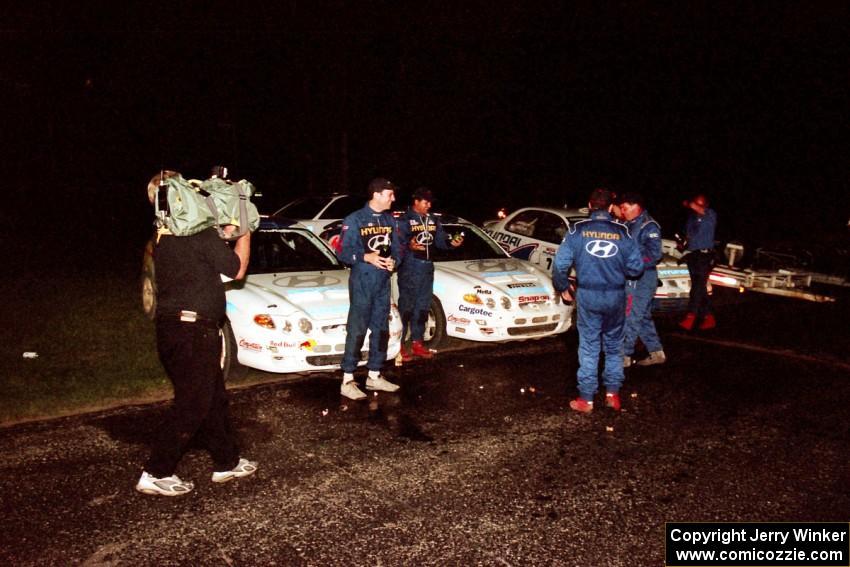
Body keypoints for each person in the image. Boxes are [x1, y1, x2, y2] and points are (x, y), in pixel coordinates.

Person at [136, 170, 257, 497]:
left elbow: (205, 259)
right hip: (193, 333)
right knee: (193, 404)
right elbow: (236, 269)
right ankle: (156, 471)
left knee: (212, 399)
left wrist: (223, 233)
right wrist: (244, 230)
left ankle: (226, 462)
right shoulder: (199, 235)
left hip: (175, 331)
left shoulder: (163, 237)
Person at [553, 188, 643, 413]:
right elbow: (636, 268)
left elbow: (560, 265)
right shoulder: (623, 232)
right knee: (614, 346)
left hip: (589, 295)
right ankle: (613, 394)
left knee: (590, 345)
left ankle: (587, 399)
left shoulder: (577, 231)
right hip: (615, 295)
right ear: (610, 207)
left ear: (590, 206)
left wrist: (563, 287)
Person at [337, 178, 403, 400]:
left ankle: (374, 375)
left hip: (383, 282)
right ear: (376, 194)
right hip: (362, 281)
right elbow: (343, 253)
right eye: (389, 194)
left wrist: (394, 261)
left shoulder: (390, 219)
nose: (393, 198)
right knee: (357, 330)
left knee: (381, 330)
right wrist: (366, 257)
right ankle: (347, 379)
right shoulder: (355, 219)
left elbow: (397, 249)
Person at [397, 187, 463, 361]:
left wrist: (452, 243)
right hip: (410, 268)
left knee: (422, 307)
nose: (429, 205)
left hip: (427, 268)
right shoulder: (404, 220)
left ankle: (418, 342)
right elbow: (396, 244)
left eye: (430, 202)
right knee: (406, 308)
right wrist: (409, 246)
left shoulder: (433, 220)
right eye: (426, 202)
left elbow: (441, 241)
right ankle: (400, 345)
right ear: (416, 201)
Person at [617, 193, 666, 367]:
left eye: (625, 208)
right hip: (630, 278)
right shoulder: (626, 224)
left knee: (630, 316)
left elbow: (655, 254)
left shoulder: (649, 226)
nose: (622, 211)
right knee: (642, 317)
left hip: (642, 279)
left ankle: (623, 356)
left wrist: (633, 264)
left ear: (636, 206)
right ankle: (656, 353)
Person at [679, 193, 717, 330]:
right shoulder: (691, 219)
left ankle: (691, 316)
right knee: (699, 288)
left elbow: (697, 208)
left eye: (701, 204)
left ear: (706, 205)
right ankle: (708, 316)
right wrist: (683, 245)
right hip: (693, 255)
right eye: (696, 203)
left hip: (705, 256)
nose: (697, 206)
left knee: (697, 288)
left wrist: (688, 202)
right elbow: (689, 237)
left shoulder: (710, 215)